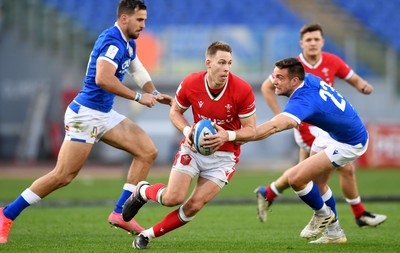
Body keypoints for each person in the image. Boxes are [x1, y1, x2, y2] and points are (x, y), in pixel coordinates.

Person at [0, 0, 173, 244]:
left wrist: (153, 93)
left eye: (144, 19)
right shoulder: (112, 41)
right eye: (140, 20)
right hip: (85, 115)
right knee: (63, 175)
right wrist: (137, 97)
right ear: (124, 18)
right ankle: (6, 214)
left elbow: (137, 69)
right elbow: (103, 78)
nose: (144, 25)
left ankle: (120, 213)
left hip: (104, 114)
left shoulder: (127, 42)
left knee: (147, 151)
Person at [122, 41, 257, 250]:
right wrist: (188, 132)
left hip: (224, 157)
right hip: (192, 150)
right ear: (208, 63)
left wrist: (227, 136)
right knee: (172, 198)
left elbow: (251, 130)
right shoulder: (191, 83)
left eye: (230, 63)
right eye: (221, 62)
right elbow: (175, 111)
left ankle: (147, 235)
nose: (227, 68)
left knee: (194, 205)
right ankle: (143, 191)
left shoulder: (242, 89)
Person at [255, 23, 386, 228]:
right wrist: (281, 116)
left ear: (323, 42)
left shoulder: (332, 61)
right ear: (302, 44)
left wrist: (362, 85)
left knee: (308, 174)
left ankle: (270, 192)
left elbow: (352, 78)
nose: (313, 43)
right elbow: (266, 87)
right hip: (306, 126)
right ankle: (347, 217)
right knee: (321, 174)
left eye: (317, 39)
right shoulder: (293, 67)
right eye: (309, 40)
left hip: (325, 126)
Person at [251, 57, 373, 243]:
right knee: (317, 183)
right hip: (332, 133)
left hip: (350, 142)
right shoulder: (309, 78)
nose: (273, 80)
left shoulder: (303, 100)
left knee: (297, 179)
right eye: (274, 76)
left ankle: (322, 214)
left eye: (279, 77)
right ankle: (335, 233)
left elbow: (274, 127)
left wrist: (234, 137)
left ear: (294, 81)